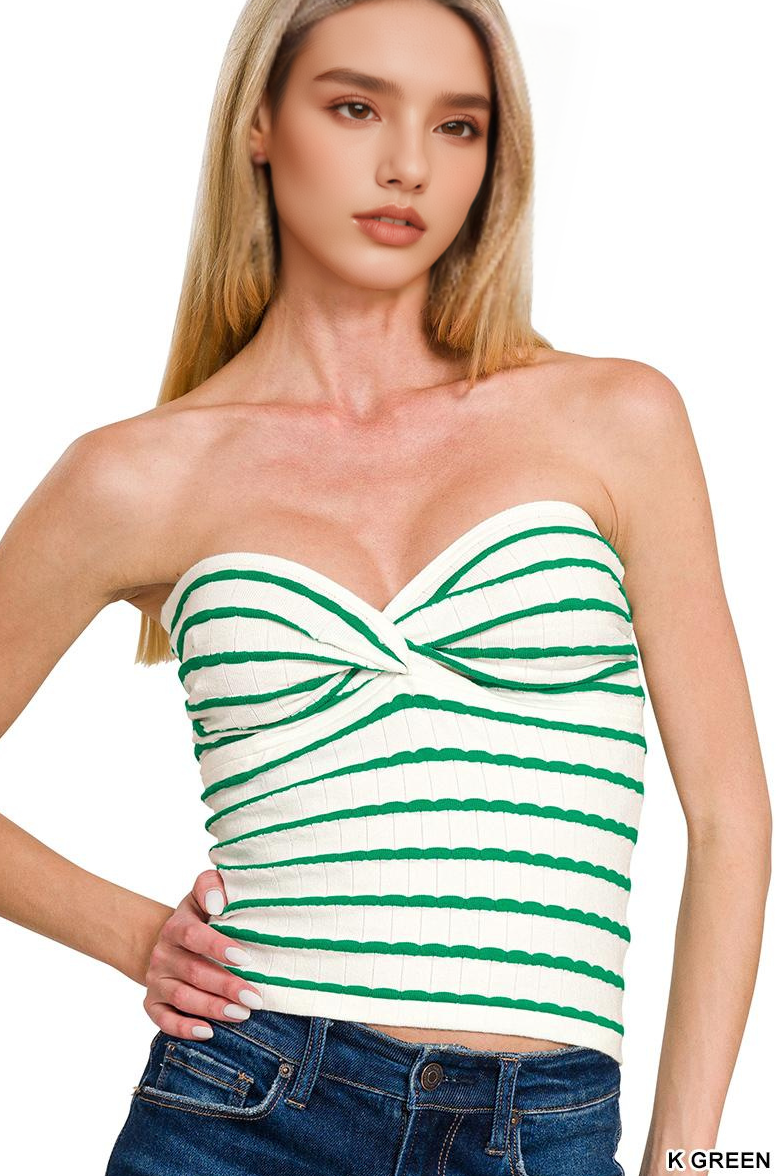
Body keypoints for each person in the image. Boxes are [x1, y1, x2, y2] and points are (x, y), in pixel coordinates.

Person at [0, 0, 769, 1173]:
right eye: (355, 107)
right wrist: (134, 933)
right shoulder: (137, 476)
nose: (407, 164)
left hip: (545, 1128)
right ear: (260, 123)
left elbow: (727, 818)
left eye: (457, 125)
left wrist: (690, 1162)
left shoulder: (614, 419)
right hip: (242, 1107)